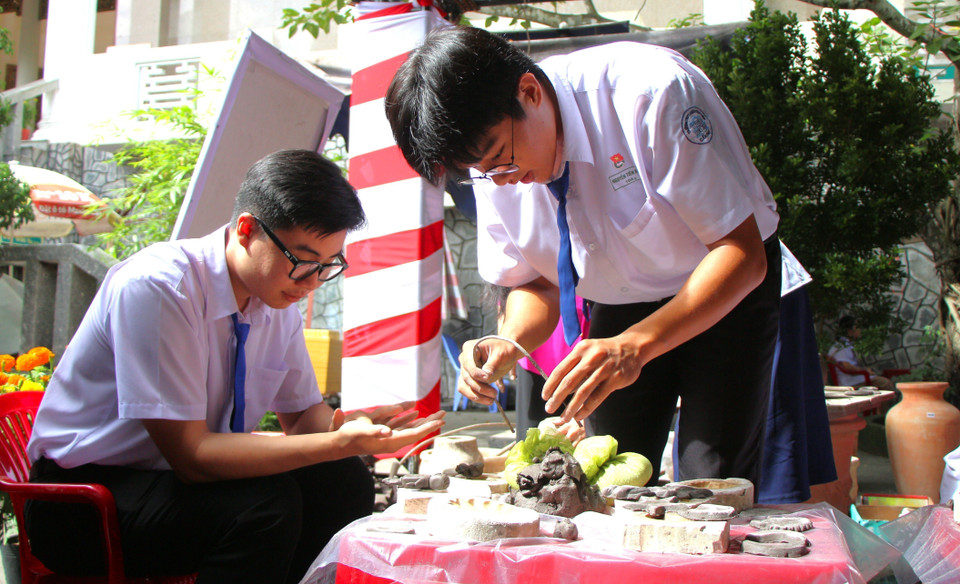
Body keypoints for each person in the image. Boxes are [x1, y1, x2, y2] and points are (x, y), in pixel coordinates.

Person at [385, 26, 781, 488]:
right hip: (620, 300)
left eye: (500, 159)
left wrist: (636, 346)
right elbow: (535, 283)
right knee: (605, 474)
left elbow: (742, 252)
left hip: (722, 288)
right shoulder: (491, 167)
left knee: (710, 481)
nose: (501, 181)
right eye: (480, 173)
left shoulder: (650, 92)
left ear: (529, 92)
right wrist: (510, 340)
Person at [24, 149, 445, 583]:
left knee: (342, 481)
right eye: (302, 261)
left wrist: (347, 425)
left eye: (327, 265)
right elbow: (193, 456)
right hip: (82, 500)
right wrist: (339, 442)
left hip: (168, 484)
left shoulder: (275, 297)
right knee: (263, 506)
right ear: (246, 230)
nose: (312, 282)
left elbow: (301, 418)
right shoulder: (160, 288)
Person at [827, 315, 895, 392]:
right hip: (851, 382)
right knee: (885, 383)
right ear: (850, 330)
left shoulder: (847, 344)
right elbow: (847, 366)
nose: (860, 330)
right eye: (857, 327)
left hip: (855, 378)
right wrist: (865, 371)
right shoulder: (840, 347)